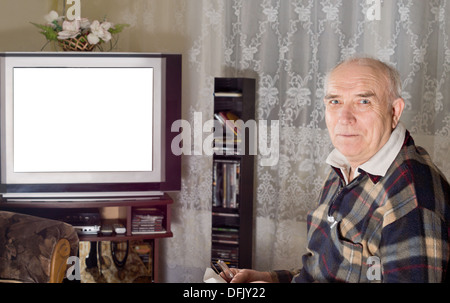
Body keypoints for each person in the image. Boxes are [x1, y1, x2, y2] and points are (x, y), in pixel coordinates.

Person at [224, 56, 450, 283]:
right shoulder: (345, 164)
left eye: (363, 102)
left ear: (395, 111)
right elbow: (327, 270)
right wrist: (270, 279)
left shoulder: (412, 194)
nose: (344, 118)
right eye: (335, 102)